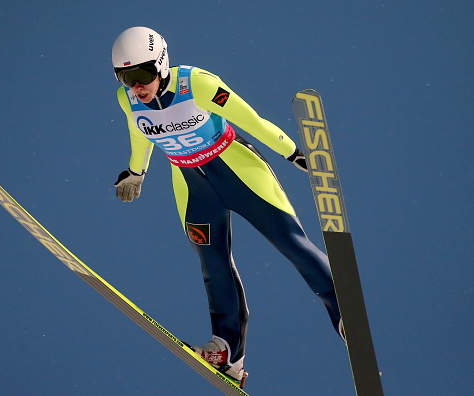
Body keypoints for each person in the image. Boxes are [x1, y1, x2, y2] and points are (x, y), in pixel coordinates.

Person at [111, 26, 343, 382]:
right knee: (212, 264)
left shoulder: (196, 84)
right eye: (125, 78)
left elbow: (250, 120)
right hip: (190, 185)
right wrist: (136, 172)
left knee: (291, 243)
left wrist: (294, 153)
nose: (135, 86)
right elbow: (138, 134)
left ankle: (345, 314)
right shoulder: (127, 99)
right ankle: (227, 352)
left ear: (161, 65)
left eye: (141, 74)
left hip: (237, 170)